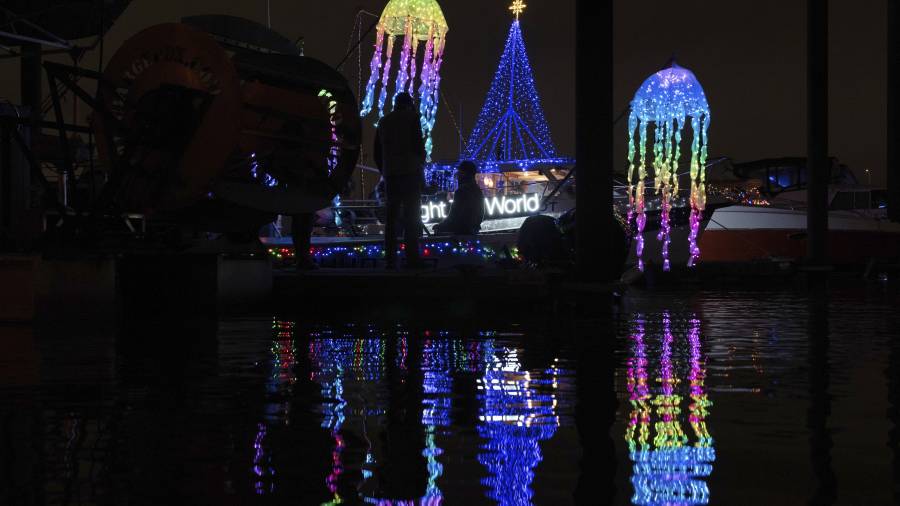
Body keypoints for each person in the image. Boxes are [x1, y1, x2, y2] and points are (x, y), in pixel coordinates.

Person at [374, 92, 426, 269]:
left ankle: (390, 259)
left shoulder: (383, 121)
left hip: (391, 175)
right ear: (409, 104)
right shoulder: (412, 118)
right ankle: (412, 259)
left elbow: (376, 152)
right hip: (410, 173)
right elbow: (418, 147)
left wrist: (385, 170)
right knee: (412, 217)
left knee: (391, 219)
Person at [433, 161, 485, 236]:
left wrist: (440, 226)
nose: (457, 175)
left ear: (464, 173)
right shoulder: (477, 189)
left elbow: (453, 215)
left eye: (459, 172)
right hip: (473, 229)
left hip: (462, 230)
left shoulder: (461, 191)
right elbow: (481, 213)